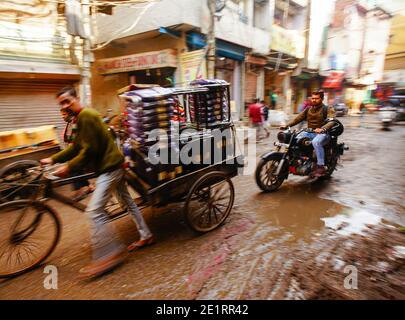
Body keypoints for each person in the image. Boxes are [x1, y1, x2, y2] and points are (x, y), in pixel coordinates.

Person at [41, 87, 154, 278]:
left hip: (110, 168)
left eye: (67, 101)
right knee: (128, 202)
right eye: (61, 103)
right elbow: (77, 147)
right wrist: (53, 159)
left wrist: (68, 168)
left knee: (94, 212)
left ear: (77, 98)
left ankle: (110, 254)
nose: (65, 106)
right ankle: (146, 235)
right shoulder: (79, 119)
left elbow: (88, 151)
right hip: (112, 165)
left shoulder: (87, 115)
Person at [281, 90, 336, 177]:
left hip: (323, 133)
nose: (314, 100)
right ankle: (295, 160)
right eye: (313, 98)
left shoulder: (328, 108)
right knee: (294, 139)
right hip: (309, 132)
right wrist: (287, 125)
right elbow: (297, 119)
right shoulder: (308, 109)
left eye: (316, 98)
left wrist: (322, 128)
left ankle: (320, 166)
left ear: (321, 99)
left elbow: (332, 121)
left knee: (316, 142)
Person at [60, 109, 95, 201]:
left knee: (73, 169)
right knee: (78, 171)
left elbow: (74, 140)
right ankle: (89, 186)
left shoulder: (74, 122)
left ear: (69, 114)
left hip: (77, 151)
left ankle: (80, 191)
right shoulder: (70, 123)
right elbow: (67, 138)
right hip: (75, 150)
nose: (62, 116)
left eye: (64, 114)